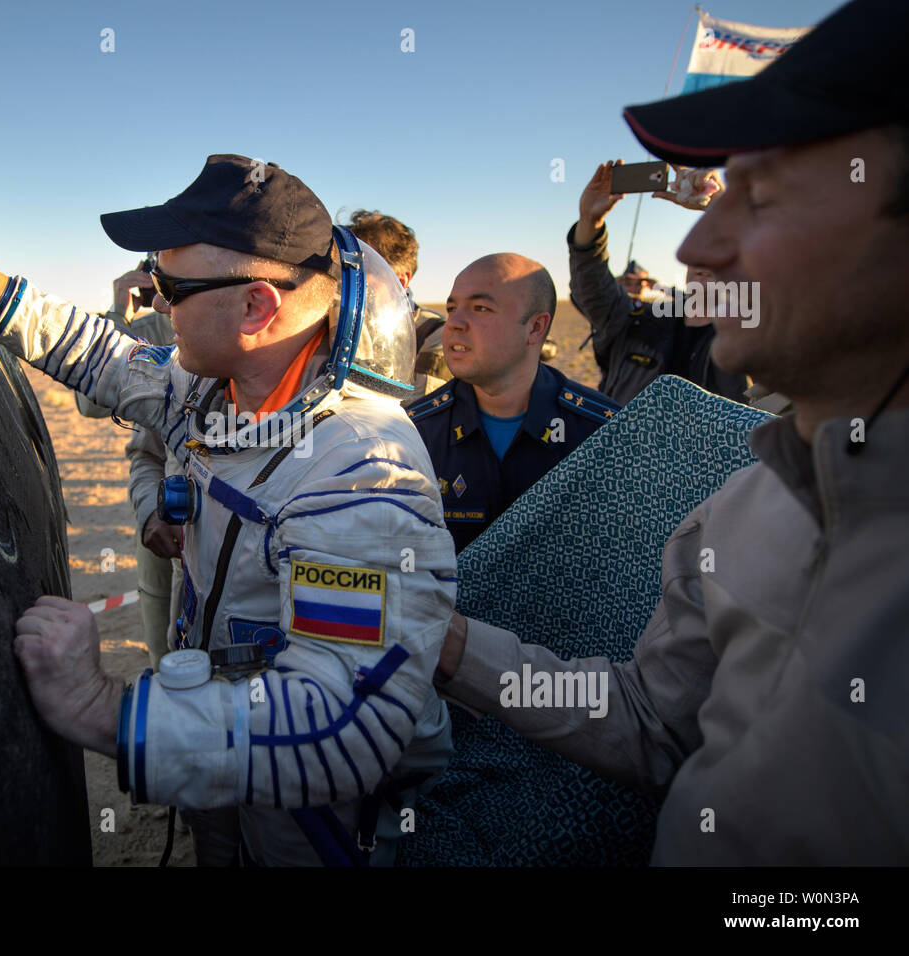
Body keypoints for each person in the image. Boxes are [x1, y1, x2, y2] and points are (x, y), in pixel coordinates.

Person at [0, 154, 457, 867]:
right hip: (220, 741)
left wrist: (100, 707)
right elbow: (100, 355)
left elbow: (339, 729)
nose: (157, 303)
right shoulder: (215, 389)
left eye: (171, 286)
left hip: (316, 813)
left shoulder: (359, 478)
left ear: (256, 307)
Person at [435, 0, 909, 864]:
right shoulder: (740, 507)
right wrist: (452, 646)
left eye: (757, 198)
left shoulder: (710, 406)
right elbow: (655, 723)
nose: (699, 246)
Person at [407, 254, 618, 552]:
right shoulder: (414, 433)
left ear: (535, 328)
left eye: (480, 308)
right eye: (452, 308)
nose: (453, 323)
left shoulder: (603, 434)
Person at [73, 260, 182, 670]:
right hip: (158, 505)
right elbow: (89, 405)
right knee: (162, 646)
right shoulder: (152, 329)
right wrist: (120, 313)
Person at [569, 161, 748, 405]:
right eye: (699, 252)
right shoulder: (641, 319)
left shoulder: (748, 330)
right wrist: (589, 222)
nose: (704, 263)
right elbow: (593, 290)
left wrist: (721, 205)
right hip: (627, 442)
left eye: (718, 254)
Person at [344, 209, 449, 396]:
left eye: (359, 268)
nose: (346, 277)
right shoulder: (342, 322)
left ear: (399, 282)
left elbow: (417, 414)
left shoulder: (435, 334)